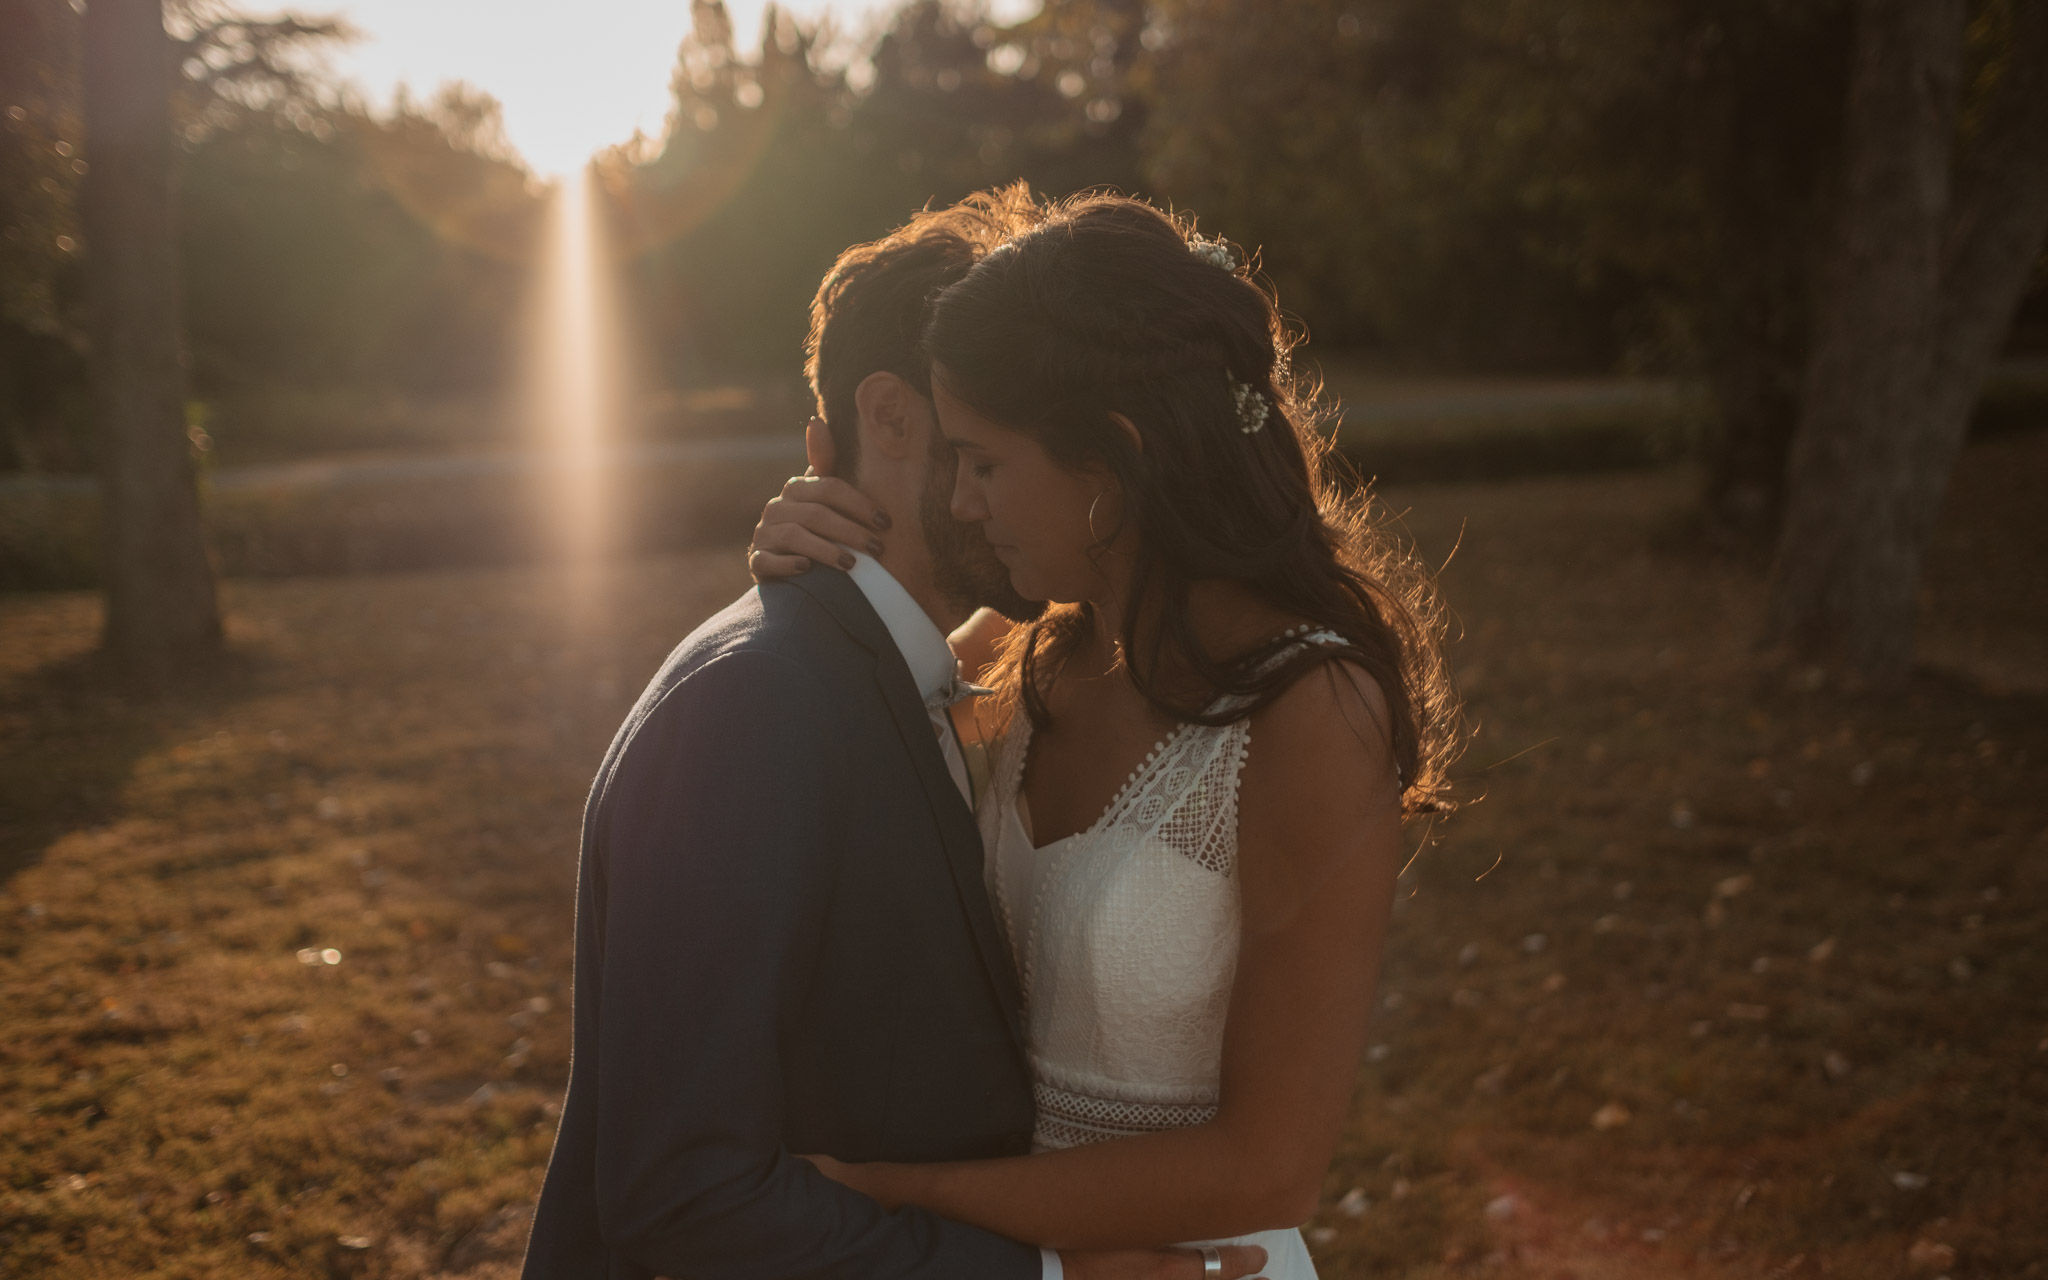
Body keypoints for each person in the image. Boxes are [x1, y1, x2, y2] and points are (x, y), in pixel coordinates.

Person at [519, 188, 1269, 1280]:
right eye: (994, 439)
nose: (1058, 471)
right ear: (894, 418)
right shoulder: (752, 709)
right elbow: (681, 1195)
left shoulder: (944, 670)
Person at [747, 192, 1462, 1277]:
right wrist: (805, 564)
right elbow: (837, 749)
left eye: (983, 461)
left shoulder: (1310, 712)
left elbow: (1268, 1166)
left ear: (1108, 463)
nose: (965, 500)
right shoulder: (1023, 653)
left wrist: (912, 1198)